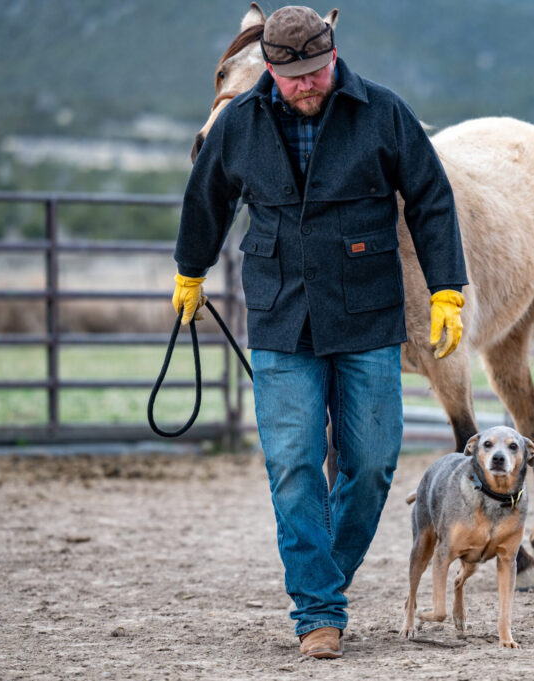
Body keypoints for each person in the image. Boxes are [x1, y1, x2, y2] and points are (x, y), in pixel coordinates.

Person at [171, 6, 468, 659]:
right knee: (295, 465)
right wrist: (190, 270)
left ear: (333, 58)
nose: (307, 85)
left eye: (316, 72)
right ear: (270, 68)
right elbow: (207, 195)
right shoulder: (240, 125)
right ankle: (318, 610)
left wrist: (448, 287)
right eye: (293, 76)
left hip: (366, 312)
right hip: (281, 314)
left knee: (370, 462)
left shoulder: (382, 113)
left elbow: (431, 198)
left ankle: (322, 579)